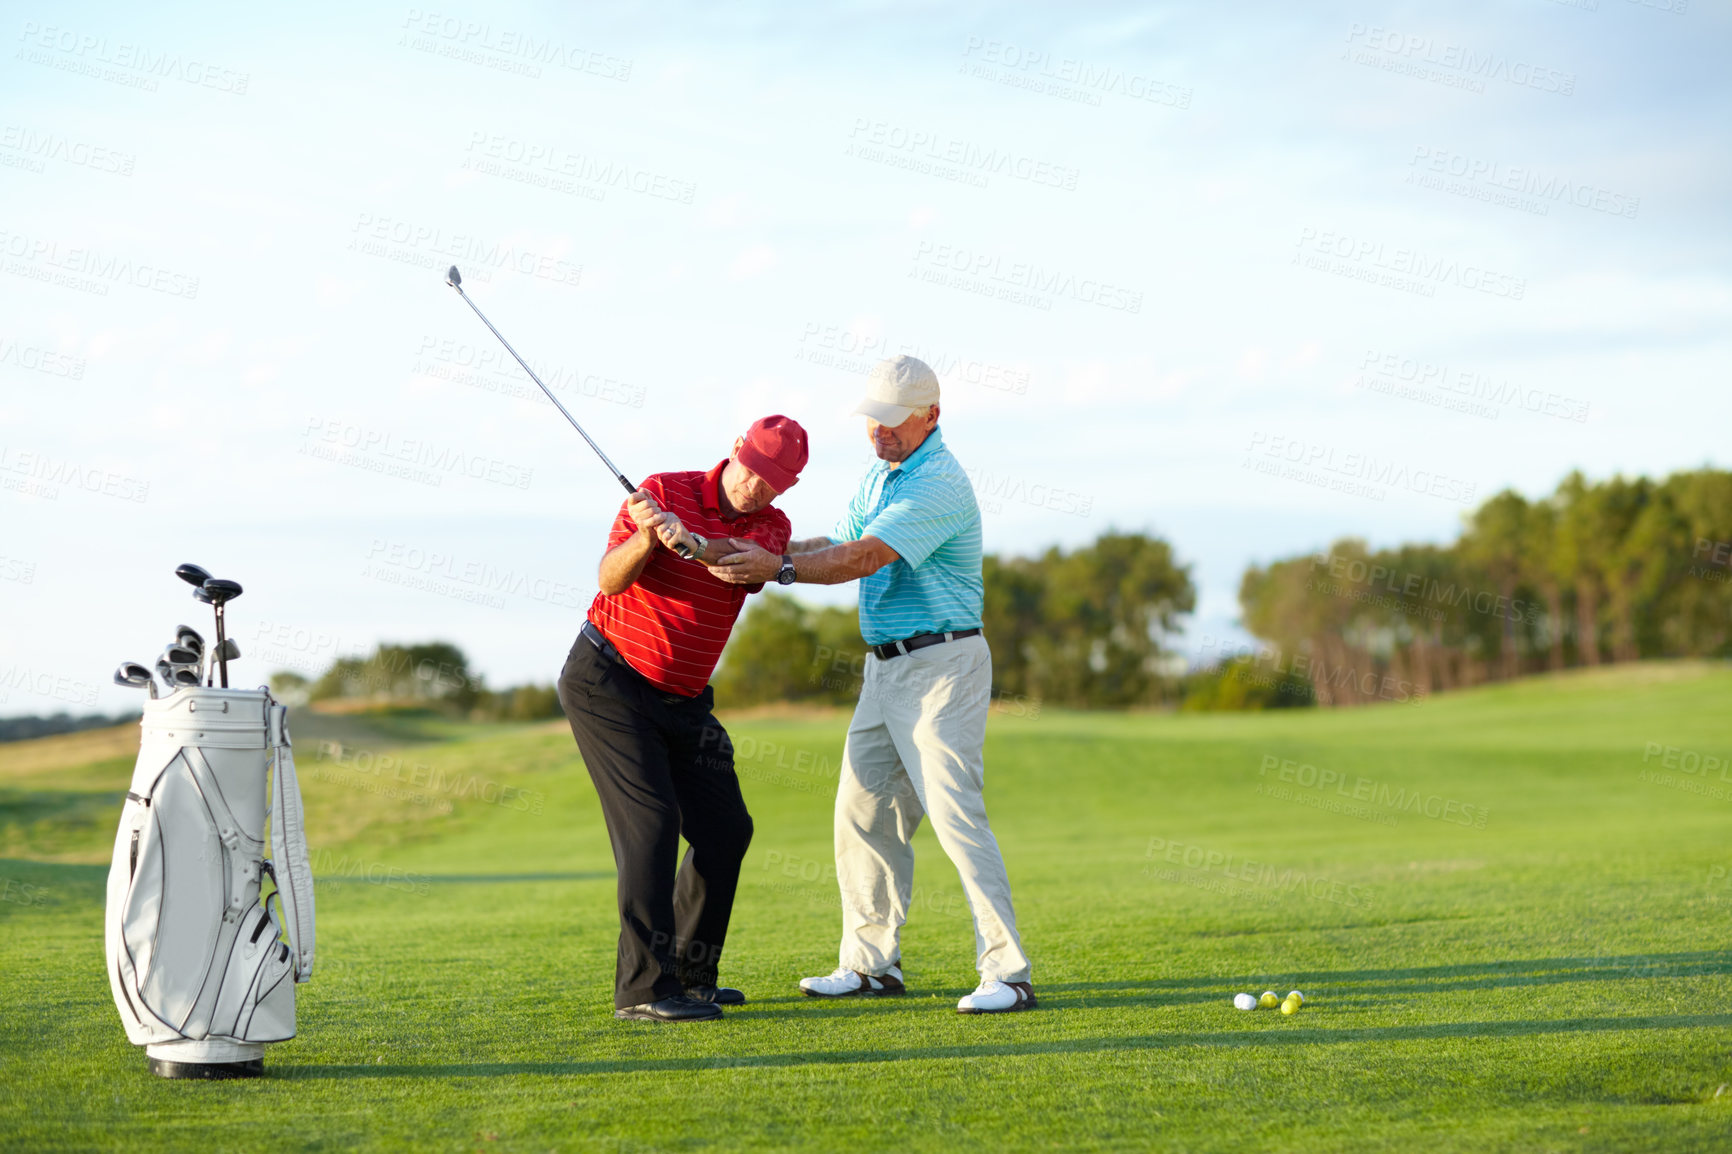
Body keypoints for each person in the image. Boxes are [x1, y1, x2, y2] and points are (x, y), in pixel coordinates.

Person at [708, 356, 1035, 1014]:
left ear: (932, 417)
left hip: (943, 666)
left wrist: (778, 570)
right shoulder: (882, 477)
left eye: (892, 422)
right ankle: (872, 965)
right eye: (872, 421)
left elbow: (865, 557)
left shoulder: (938, 482)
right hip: (883, 668)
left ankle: (1009, 972)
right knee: (860, 814)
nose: (878, 433)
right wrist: (746, 551)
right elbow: (841, 540)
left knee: (954, 814)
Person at [557, 415, 807, 1022]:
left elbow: (736, 561)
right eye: (753, 473)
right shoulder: (662, 491)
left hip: (685, 698)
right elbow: (608, 581)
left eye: (774, 483)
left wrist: (692, 543)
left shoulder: (772, 526)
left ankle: (693, 978)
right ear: (734, 452)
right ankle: (644, 989)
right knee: (653, 823)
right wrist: (647, 538)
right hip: (609, 681)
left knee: (726, 829)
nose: (757, 490)